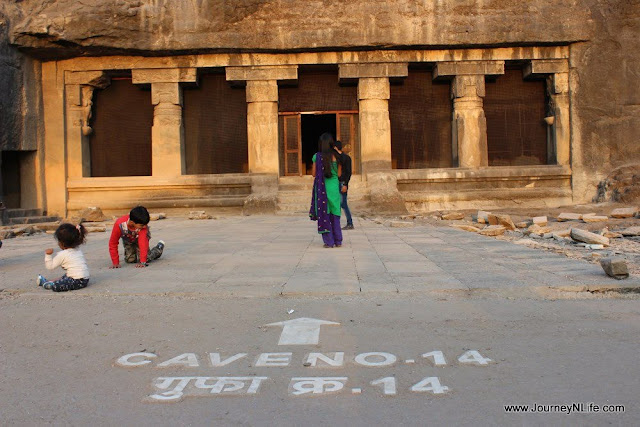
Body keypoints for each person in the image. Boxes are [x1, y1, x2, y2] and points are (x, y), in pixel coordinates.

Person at [309, 133, 343, 248]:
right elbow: (339, 174)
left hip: (322, 188)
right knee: (335, 214)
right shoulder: (337, 156)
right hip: (334, 188)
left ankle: (329, 242)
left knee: (325, 214)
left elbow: (314, 174)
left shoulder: (317, 157)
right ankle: (338, 240)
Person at [37, 223, 90, 292]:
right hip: (85, 279)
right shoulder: (77, 250)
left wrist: (48, 255)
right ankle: (52, 281)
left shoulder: (63, 254)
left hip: (77, 281)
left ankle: (51, 284)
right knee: (66, 276)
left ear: (62, 243)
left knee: (57, 286)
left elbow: (50, 266)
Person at [333, 140, 354, 230]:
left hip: (342, 183)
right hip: (336, 182)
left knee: (343, 204)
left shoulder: (346, 158)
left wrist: (345, 184)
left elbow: (348, 173)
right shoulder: (335, 158)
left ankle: (350, 223)